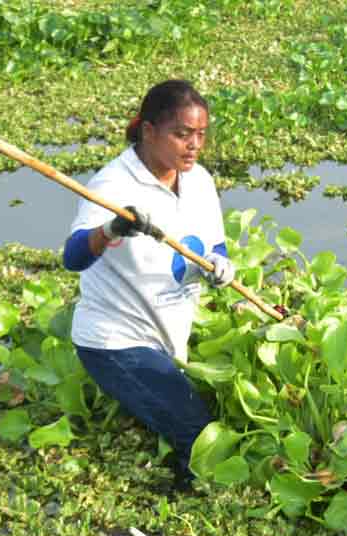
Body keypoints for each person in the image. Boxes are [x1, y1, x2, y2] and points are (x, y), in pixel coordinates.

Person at [61, 79, 234, 491]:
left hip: (167, 333)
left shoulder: (199, 180)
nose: (193, 145)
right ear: (149, 130)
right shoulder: (113, 186)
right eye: (181, 134)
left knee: (194, 410)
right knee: (199, 433)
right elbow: (73, 257)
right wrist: (112, 228)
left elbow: (215, 243)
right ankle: (181, 499)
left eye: (200, 135)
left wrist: (220, 264)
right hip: (115, 341)